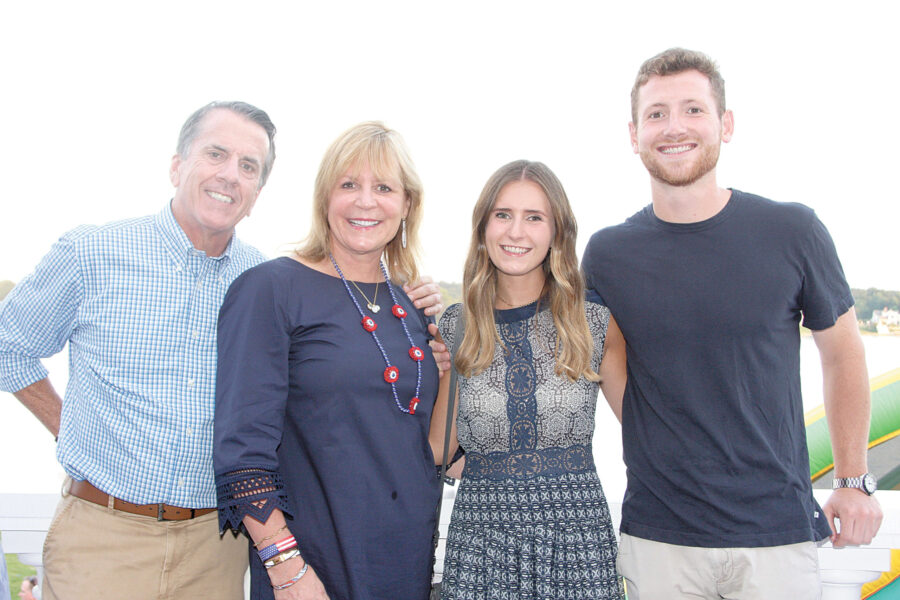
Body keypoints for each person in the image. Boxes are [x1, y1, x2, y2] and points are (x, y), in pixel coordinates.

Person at [0, 103, 445, 599]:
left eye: (248, 167)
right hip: (108, 532)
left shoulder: (258, 274)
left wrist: (418, 315)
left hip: (219, 544)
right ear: (176, 165)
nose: (229, 176)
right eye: (216, 154)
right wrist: (72, 434)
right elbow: (8, 348)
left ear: (257, 194)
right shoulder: (95, 253)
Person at [581, 48, 883, 599]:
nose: (674, 127)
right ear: (633, 133)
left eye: (693, 109)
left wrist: (852, 479)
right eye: (656, 114)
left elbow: (842, 352)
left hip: (776, 536)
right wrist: (664, 431)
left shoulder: (793, 231)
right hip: (660, 537)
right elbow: (609, 360)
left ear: (726, 124)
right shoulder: (608, 253)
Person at [214, 121, 443, 599]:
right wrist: (286, 570)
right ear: (324, 199)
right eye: (348, 185)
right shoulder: (272, 289)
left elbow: (432, 450)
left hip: (404, 565)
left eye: (383, 187)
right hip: (311, 571)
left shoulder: (413, 309)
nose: (365, 201)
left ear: (407, 205)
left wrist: (450, 361)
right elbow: (242, 455)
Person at [430, 160, 627, 599]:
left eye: (534, 218)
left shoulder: (593, 325)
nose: (516, 232)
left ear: (557, 232)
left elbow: (648, 434)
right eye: (503, 215)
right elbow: (436, 449)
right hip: (482, 545)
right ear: (483, 228)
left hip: (577, 545)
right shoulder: (456, 327)